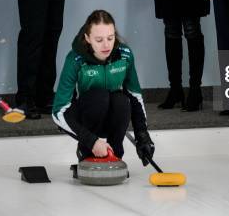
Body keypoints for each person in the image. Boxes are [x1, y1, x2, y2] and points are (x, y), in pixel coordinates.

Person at [51, 10, 155, 164]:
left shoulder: (125, 55)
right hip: (86, 119)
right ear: (87, 38)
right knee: (99, 97)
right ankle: (85, 153)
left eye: (110, 38)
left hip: (113, 116)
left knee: (122, 101)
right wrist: (90, 140)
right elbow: (58, 112)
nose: (106, 45)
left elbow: (135, 96)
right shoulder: (75, 59)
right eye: (99, 40)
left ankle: (115, 154)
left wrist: (143, 136)